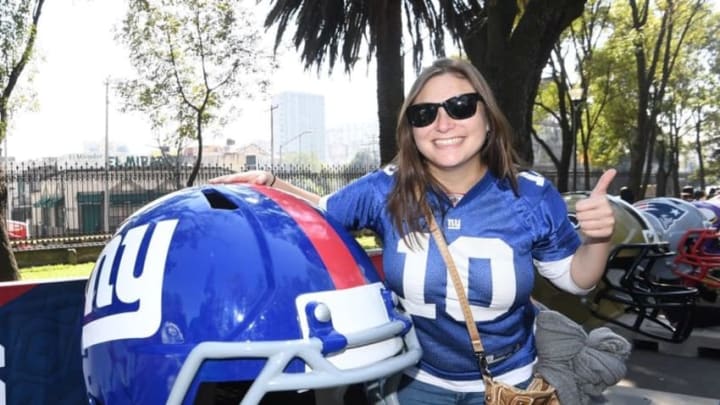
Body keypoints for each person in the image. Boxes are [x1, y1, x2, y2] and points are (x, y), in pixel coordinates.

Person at [211, 57, 615, 404]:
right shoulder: (386, 188)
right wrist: (269, 183)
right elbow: (320, 214)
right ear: (412, 130)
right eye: (425, 113)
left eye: (460, 106)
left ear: (489, 118)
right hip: (416, 383)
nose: (443, 123)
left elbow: (577, 280)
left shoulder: (529, 195)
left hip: (508, 386)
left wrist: (598, 238)